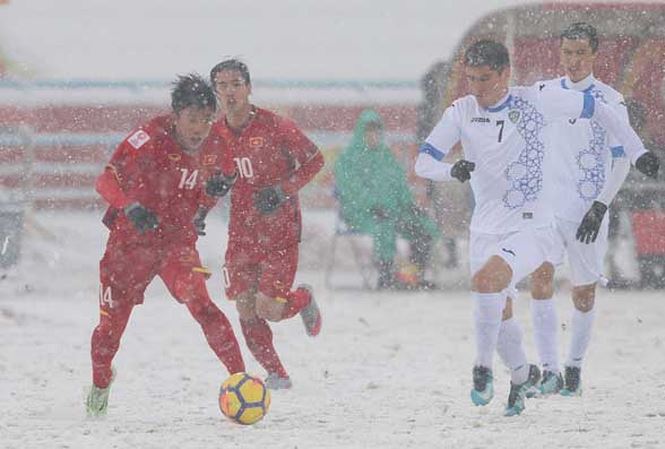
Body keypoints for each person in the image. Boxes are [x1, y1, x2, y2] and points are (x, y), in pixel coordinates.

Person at [414, 40, 659, 416]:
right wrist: (451, 170)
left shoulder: (537, 100)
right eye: (470, 79)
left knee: (492, 283)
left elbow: (605, 112)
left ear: (505, 74)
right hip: (486, 227)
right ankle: (520, 373)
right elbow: (423, 162)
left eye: (484, 79)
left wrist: (638, 151)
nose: (476, 88)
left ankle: (488, 370)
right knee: (497, 310)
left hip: (532, 224)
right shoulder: (462, 111)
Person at [86, 74, 246, 417]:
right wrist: (128, 205)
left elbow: (210, 190)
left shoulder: (217, 145)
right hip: (129, 246)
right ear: (175, 115)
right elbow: (105, 179)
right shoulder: (148, 138)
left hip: (176, 244)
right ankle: (100, 384)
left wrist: (207, 202)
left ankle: (240, 380)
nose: (200, 128)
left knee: (203, 306)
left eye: (206, 119)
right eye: (192, 119)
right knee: (109, 334)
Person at [528, 22, 643, 397]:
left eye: (580, 53)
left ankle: (573, 367)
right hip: (546, 208)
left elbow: (621, 159)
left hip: (586, 209)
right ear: (559, 54)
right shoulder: (543, 92)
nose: (573, 60)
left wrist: (599, 206)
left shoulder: (610, 100)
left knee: (583, 293)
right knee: (541, 280)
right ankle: (548, 369)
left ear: (594, 54)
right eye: (567, 53)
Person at [207, 59, 324, 390]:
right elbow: (212, 175)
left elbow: (315, 160)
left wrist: (282, 191)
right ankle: (277, 374)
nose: (230, 92)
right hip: (241, 233)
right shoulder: (215, 134)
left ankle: (302, 298)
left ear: (249, 88)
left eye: (236, 84)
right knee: (244, 306)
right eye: (222, 86)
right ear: (215, 91)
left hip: (279, 232)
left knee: (269, 309)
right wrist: (210, 191)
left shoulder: (277, 126)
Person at [334, 108, 440, 289]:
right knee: (384, 226)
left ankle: (414, 275)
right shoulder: (348, 158)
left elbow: (400, 185)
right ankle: (386, 276)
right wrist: (372, 206)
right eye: (369, 131)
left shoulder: (386, 156)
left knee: (422, 225)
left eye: (376, 131)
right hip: (361, 213)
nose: (373, 135)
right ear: (361, 132)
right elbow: (351, 191)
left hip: (392, 211)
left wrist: (410, 205)